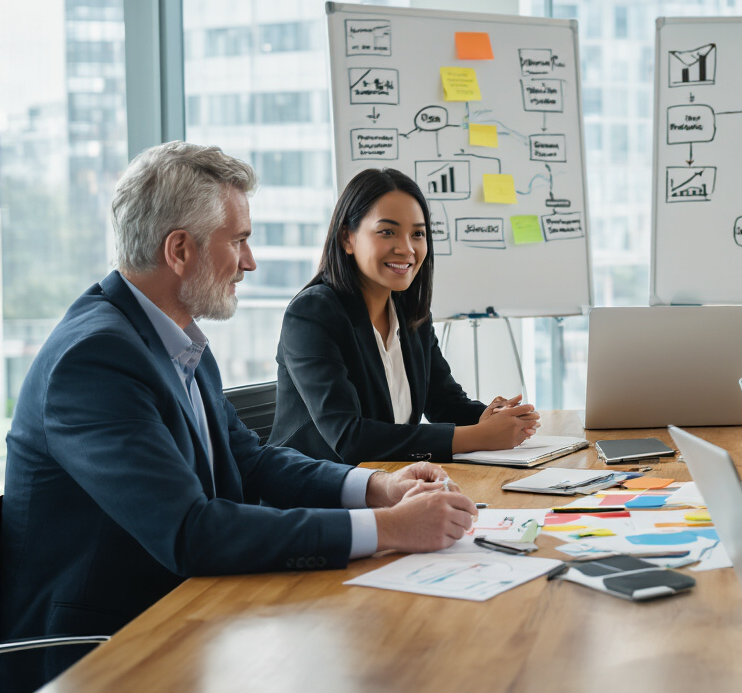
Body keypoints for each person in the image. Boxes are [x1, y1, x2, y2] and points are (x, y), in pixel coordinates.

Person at [0, 143, 478, 692]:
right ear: (179, 249)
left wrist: (376, 488)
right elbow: (190, 530)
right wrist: (388, 529)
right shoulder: (94, 361)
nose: (249, 263)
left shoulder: (172, 339)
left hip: (191, 609)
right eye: (240, 241)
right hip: (106, 647)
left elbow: (247, 458)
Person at [270, 167, 539, 464]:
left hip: (392, 486)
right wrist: (479, 436)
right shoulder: (312, 314)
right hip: (316, 498)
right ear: (347, 238)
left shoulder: (411, 313)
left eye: (418, 234)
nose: (407, 248)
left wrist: (491, 417)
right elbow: (350, 439)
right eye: (388, 231)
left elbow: (444, 403)